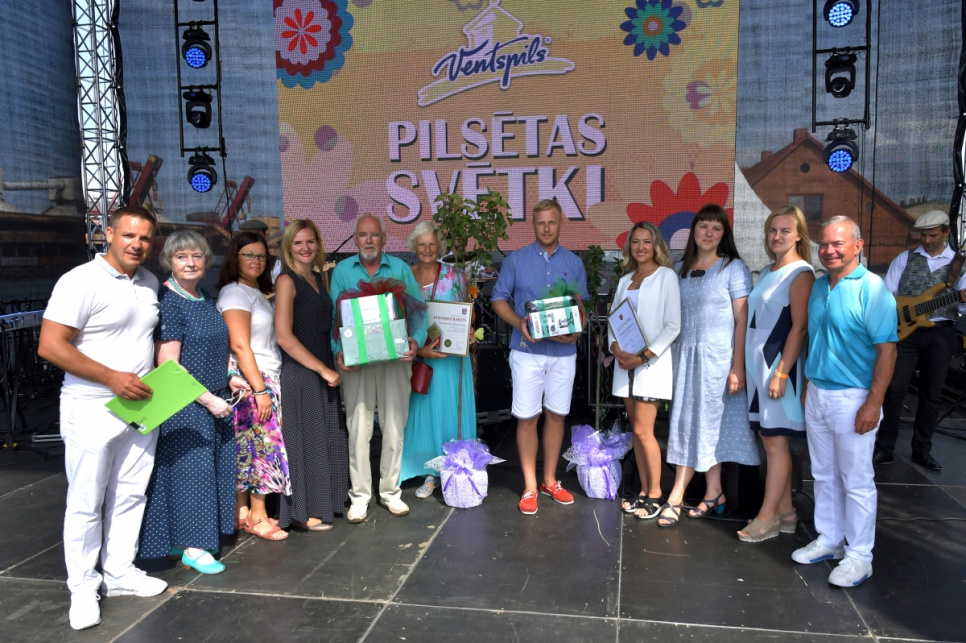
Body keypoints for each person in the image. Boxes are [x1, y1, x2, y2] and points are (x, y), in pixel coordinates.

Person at [38, 205, 167, 631]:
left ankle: (119, 572)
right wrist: (112, 378)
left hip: (142, 406)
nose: (137, 244)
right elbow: (50, 345)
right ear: (108, 234)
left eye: (145, 238)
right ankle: (82, 587)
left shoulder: (148, 282)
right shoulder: (80, 280)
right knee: (86, 501)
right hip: (92, 403)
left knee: (131, 493)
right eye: (129, 235)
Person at [793, 216, 897, 587]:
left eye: (837, 243)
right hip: (818, 394)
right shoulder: (820, 286)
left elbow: (887, 351)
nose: (829, 251)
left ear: (858, 245)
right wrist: (808, 382)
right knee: (823, 474)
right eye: (823, 244)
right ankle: (831, 539)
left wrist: (873, 403)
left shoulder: (873, 288)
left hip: (854, 398)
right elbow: (815, 338)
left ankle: (860, 557)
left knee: (856, 480)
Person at [139, 231, 239, 574]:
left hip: (214, 399)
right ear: (169, 261)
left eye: (197, 256)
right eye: (182, 257)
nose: (191, 263)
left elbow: (217, 347)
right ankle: (193, 549)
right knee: (191, 477)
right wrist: (208, 400)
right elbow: (168, 364)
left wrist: (230, 375)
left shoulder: (204, 297)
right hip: (187, 405)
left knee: (204, 474)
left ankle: (183, 541)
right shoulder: (169, 301)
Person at [658, 204, 759, 528]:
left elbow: (743, 320)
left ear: (724, 234)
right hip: (684, 359)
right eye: (704, 226)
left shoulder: (733, 268)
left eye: (716, 228)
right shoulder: (679, 268)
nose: (709, 233)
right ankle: (714, 491)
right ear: (694, 231)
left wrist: (738, 366)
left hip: (717, 362)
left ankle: (676, 495)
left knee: (703, 425)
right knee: (693, 425)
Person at [491, 199, 590, 515]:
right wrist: (518, 322)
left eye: (552, 222)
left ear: (561, 223)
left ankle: (550, 481)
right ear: (533, 225)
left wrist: (577, 331)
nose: (546, 228)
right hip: (526, 351)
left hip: (563, 353)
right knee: (527, 418)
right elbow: (498, 299)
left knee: (557, 415)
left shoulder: (574, 263)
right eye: (540, 222)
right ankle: (530, 486)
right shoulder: (516, 261)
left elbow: (580, 308)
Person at [330, 214, 427, 523]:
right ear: (355, 239)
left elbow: (419, 313)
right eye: (363, 235)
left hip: (395, 360)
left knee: (394, 425)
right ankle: (359, 496)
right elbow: (334, 319)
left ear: (384, 239)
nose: (369, 240)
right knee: (358, 427)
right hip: (356, 362)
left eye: (374, 235)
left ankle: (390, 492)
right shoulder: (342, 271)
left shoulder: (399, 268)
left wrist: (415, 341)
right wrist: (338, 352)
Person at [738, 206, 815, 542]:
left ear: (799, 235)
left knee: (775, 442)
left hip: (778, 368)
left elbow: (800, 328)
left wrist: (782, 373)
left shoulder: (801, 273)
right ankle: (786, 513)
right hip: (758, 367)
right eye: (772, 230)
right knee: (770, 439)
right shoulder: (770, 270)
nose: (777, 236)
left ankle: (766, 517)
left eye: (785, 230)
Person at [874, 209, 966, 471]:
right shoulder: (905, 258)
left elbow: (962, 308)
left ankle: (922, 450)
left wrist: (962, 300)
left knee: (931, 393)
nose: (926, 240)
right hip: (905, 331)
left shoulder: (959, 264)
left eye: (932, 235)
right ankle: (884, 448)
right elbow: (887, 295)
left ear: (946, 232)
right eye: (923, 235)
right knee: (894, 390)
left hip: (941, 333)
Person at [274, 219, 349, 531]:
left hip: (323, 367)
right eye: (298, 243)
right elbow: (283, 336)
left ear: (318, 244)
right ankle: (303, 514)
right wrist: (321, 368)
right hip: (301, 372)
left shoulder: (319, 277)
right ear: (289, 248)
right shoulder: (286, 280)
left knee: (326, 439)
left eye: (310, 241)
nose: (305, 248)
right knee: (307, 444)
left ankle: (326, 503)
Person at [217, 231, 291, 541]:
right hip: (254, 379)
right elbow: (239, 344)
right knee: (262, 448)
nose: (256, 260)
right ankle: (259, 516)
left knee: (248, 447)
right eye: (249, 254)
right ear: (235, 258)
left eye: (261, 255)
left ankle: (241, 513)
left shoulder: (253, 291)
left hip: (260, 377)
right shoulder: (235, 293)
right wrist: (260, 391)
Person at [400, 222, 477, 498]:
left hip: (451, 359)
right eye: (422, 244)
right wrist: (420, 350)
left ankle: (455, 469)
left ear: (440, 247)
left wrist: (468, 330)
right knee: (424, 416)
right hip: (421, 359)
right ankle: (429, 474)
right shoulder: (405, 277)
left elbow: (469, 311)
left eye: (432, 244)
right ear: (414, 247)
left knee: (450, 414)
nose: (427, 249)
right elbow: (399, 320)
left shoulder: (455, 276)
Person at [610, 222, 680, 519]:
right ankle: (642, 491)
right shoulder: (625, 280)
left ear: (656, 246)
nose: (641, 247)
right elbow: (614, 321)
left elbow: (673, 326)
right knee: (635, 433)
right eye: (636, 242)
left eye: (647, 241)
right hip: (624, 366)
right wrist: (615, 348)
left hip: (651, 366)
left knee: (643, 430)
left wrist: (643, 358)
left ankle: (656, 494)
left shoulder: (666, 277)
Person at [239, 219, 283, 283]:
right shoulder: (234, 264)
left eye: (257, 235)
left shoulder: (278, 265)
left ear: (265, 237)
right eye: (248, 236)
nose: (252, 240)